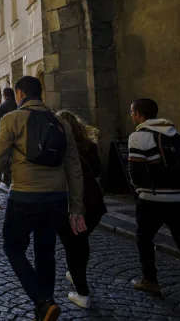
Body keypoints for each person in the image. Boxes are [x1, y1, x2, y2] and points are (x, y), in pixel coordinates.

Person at [0, 76, 85, 321]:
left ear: (19, 94)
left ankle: (42, 301)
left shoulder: (12, 120)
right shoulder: (61, 122)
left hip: (24, 196)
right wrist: (76, 207)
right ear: (41, 93)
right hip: (57, 199)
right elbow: (74, 166)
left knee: (13, 247)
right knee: (45, 252)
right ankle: (45, 309)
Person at [127, 98, 180, 294]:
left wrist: (141, 188)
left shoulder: (139, 136)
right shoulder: (175, 134)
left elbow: (136, 174)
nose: (131, 115)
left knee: (144, 238)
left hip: (152, 199)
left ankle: (150, 280)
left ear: (140, 114)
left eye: (132, 112)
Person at [55, 111, 107, 309]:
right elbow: (97, 171)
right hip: (94, 203)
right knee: (81, 241)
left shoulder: (60, 148)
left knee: (72, 246)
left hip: (71, 203)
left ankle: (82, 292)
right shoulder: (89, 146)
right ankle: (77, 275)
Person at [0, 87, 18, 186]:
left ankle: (7, 179)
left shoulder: (1, 107)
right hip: (18, 135)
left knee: (5, 159)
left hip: (6, 136)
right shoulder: (18, 105)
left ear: (5, 95)